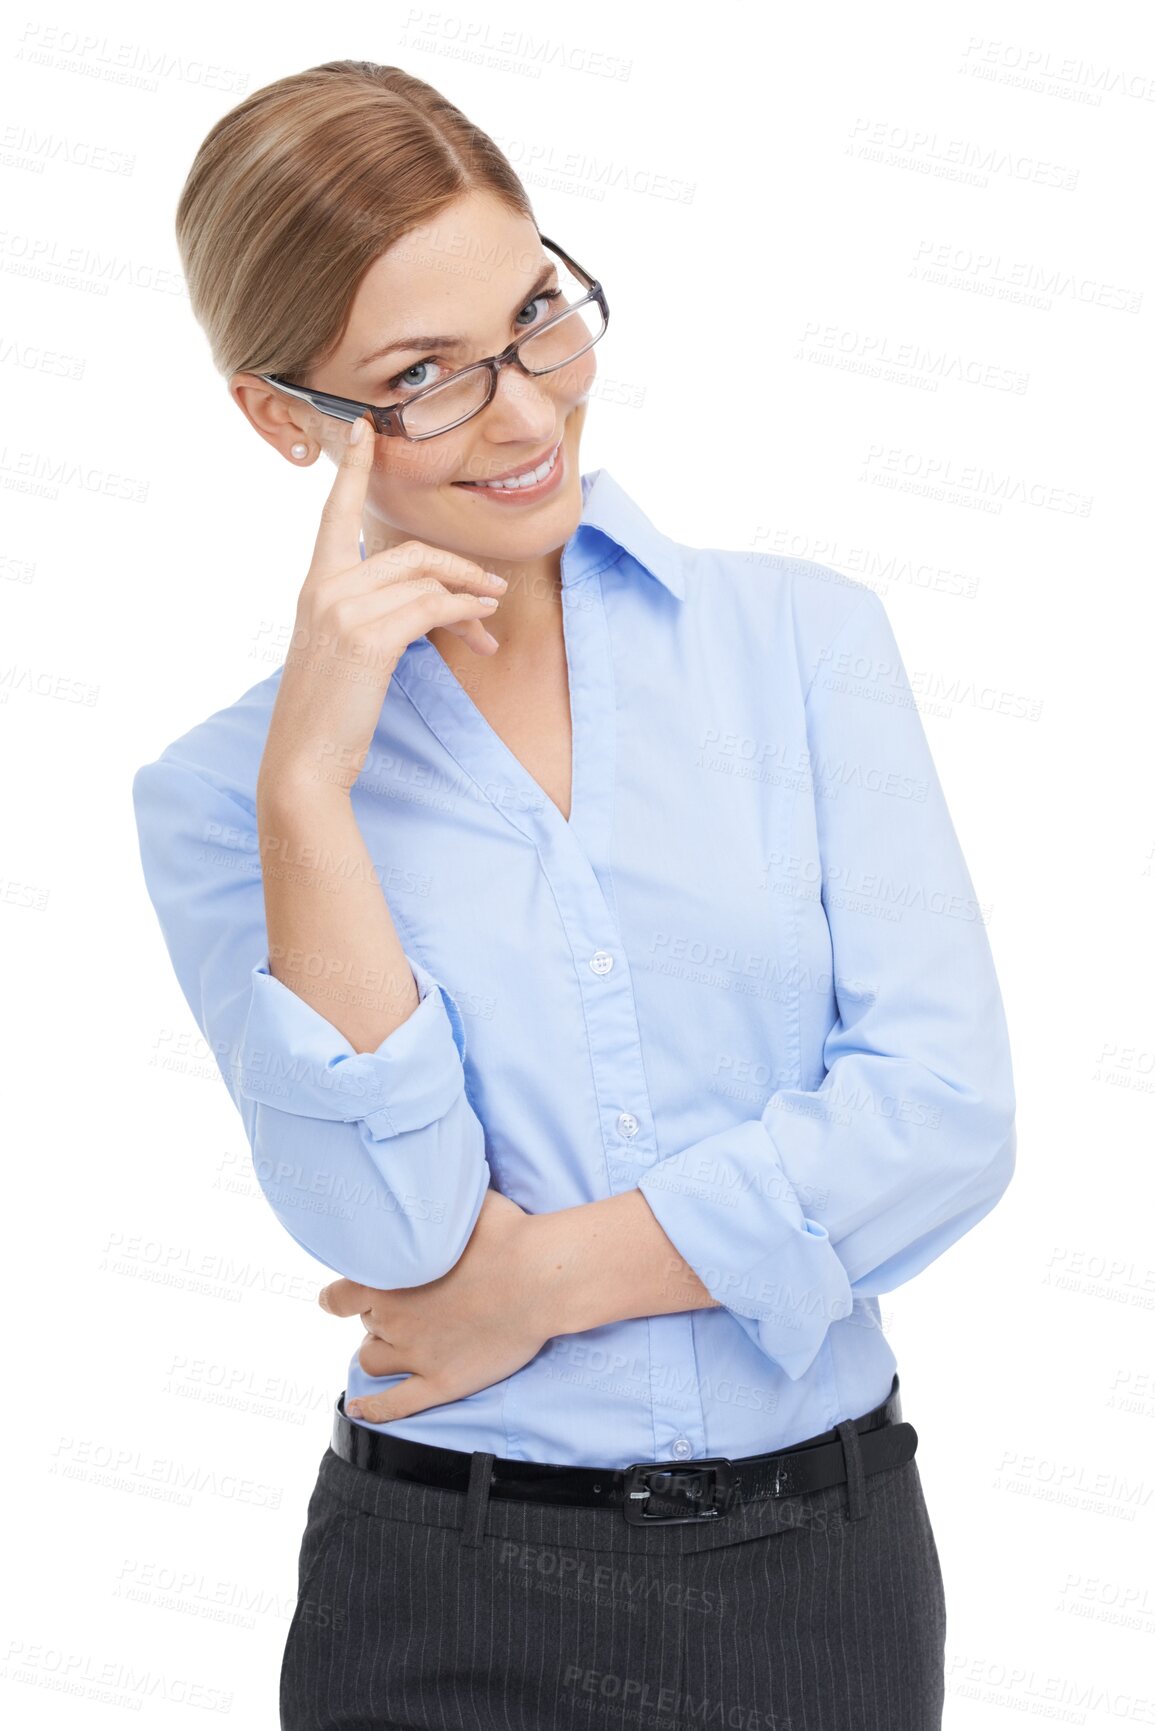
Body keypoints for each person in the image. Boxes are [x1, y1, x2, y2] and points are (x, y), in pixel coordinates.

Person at [132, 58, 1016, 1731]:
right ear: (286, 417)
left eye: (539, 316)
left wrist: (536, 1284)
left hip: (815, 1575)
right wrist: (312, 787)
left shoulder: (802, 647)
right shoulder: (223, 799)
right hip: (436, 1589)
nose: (530, 411)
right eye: (426, 377)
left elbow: (942, 1121)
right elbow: (387, 1234)